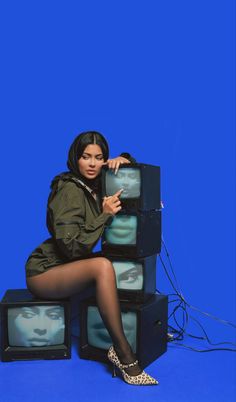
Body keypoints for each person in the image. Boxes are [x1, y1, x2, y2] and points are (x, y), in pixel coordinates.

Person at [25, 131, 158, 386]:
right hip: (44, 272)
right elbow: (72, 249)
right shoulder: (69, 189)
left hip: (65, 267)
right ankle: (124, 355)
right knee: (102, 265)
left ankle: (139, 336)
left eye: (99, 158)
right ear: (76, 158)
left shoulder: (94, 185)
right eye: (86, 157)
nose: (93, 164)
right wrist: (104, 215)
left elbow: (135, 181)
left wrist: (125, 158)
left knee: (120, 260)